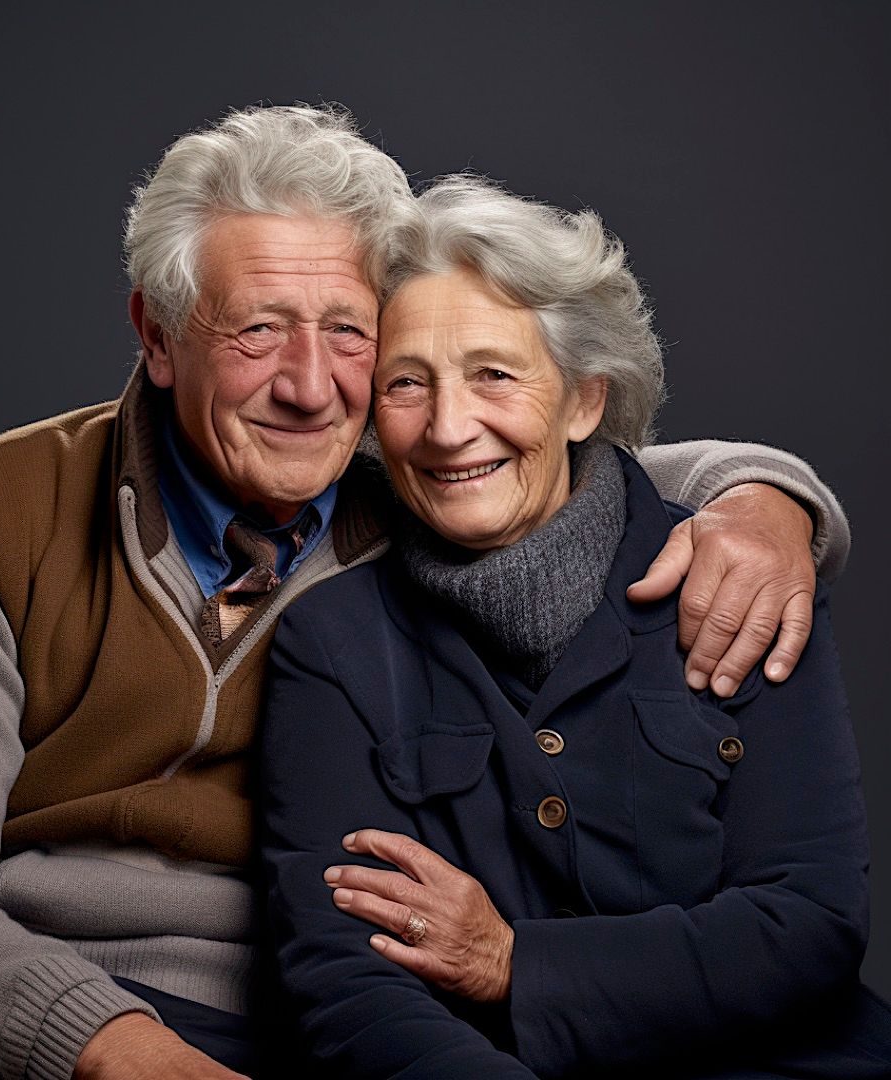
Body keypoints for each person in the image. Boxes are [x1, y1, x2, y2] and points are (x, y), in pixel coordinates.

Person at [0, 106, 851, 1080]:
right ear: (159, 336)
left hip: (296, 1021)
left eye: (351, 334)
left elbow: (569, 456)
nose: (313, 387)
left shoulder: (415, 482)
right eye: (257, 330)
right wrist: (112, 1045)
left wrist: (762, 500)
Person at [260, 176, 891, 1078]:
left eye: (494, 374)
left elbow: (809, 924)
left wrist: (518, 964)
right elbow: (348, 984)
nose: (447, 427)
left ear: (584, 400)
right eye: (407, 383)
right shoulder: (333, 645)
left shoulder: (738, 574)